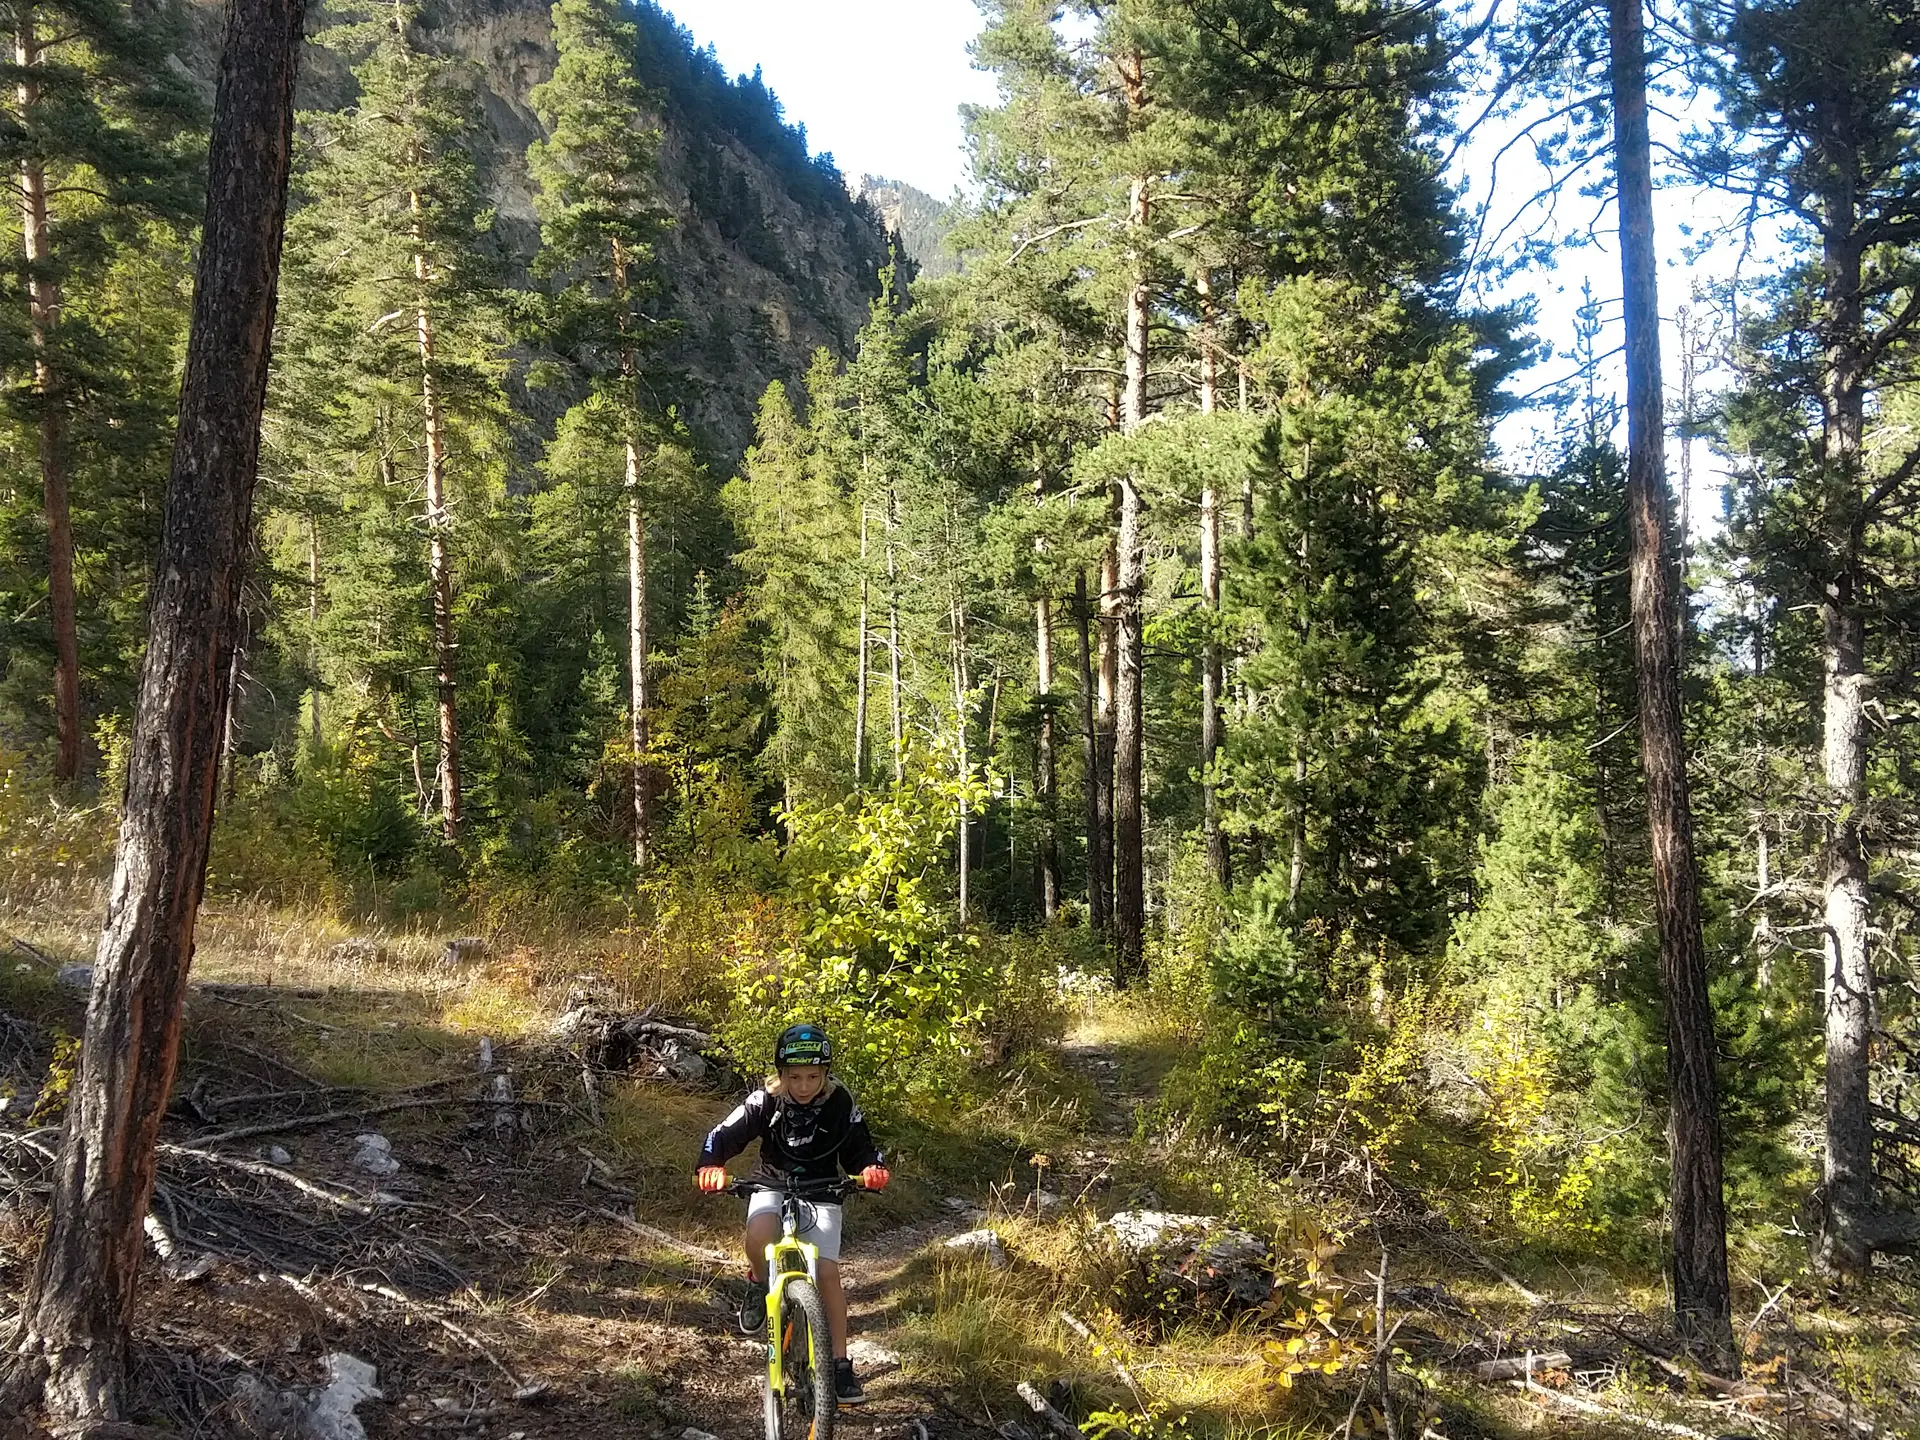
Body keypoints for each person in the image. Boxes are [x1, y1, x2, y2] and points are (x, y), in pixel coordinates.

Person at [696, 1022, 890, 1406]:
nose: (803, 1086)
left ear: (826, 1074)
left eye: (813, 1077)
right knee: (759, 1233)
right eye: (794, 1077)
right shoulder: (765, 1100)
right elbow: (724, 1134)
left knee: (827, 1272)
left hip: (823, 1188)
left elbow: (860, 1145)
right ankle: (758, 1281)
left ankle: (839, 1364)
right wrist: (711, 1165)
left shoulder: (840, 1101)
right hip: (771, 1182)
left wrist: (871, 1168)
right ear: (781, 1073)